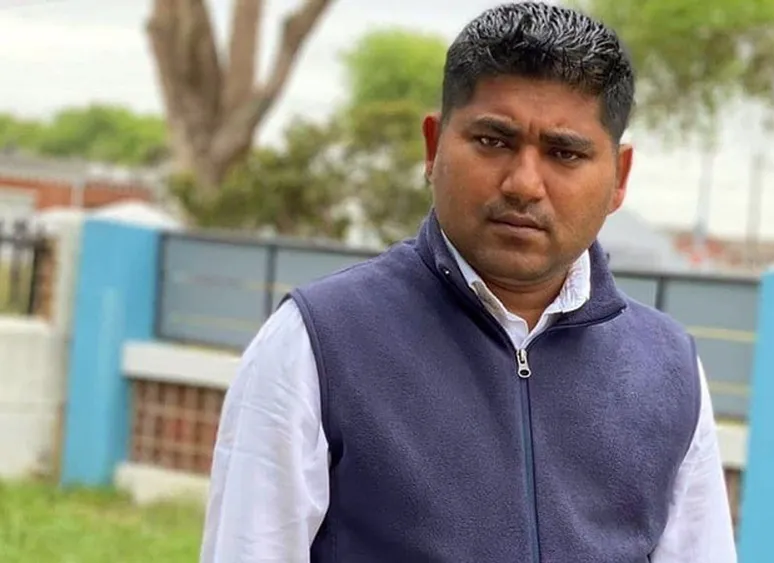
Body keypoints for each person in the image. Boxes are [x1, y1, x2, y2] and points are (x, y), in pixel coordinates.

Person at [199, 3, 737, 562]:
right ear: (434, 148)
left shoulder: (667, 368)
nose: (524, 184)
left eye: (565, 153)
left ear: (619, 178)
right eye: (493, 141)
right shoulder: (316, 345)